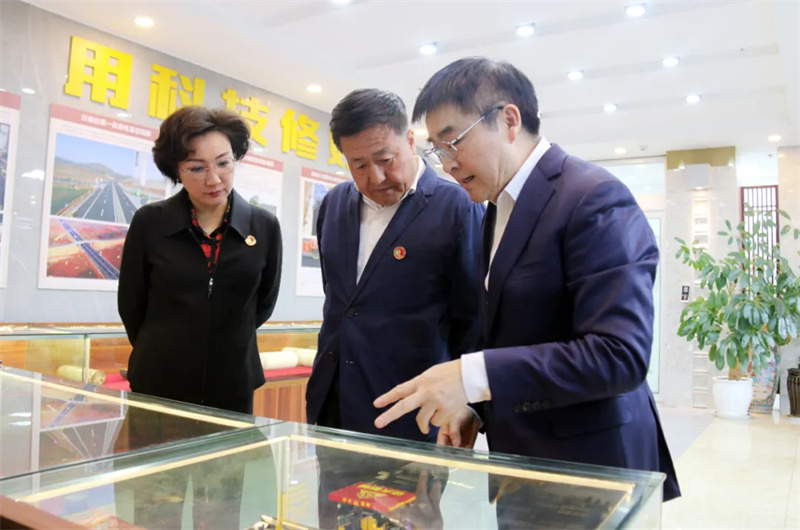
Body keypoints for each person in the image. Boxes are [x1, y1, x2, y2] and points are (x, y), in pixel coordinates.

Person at [373, 57, 681, 506]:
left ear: (509, 120)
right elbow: (513, 332)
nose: (448, 165)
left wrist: (471, 376)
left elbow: (619, 355)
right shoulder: (495, 207)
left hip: (591, 466)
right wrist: (478, 410)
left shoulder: (593, 197)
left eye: (453, 143)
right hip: (523, 460)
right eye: (437, 152)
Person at [306, 88, 483, 441]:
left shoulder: (457, 208)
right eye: (358, 165)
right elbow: (339, 299)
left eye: (386, 159)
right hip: (333, 401)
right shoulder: (334, 204)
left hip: (414, 408)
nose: (376, 177)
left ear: (410, 140)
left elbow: (473, 318)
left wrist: (469, 404)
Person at [118, 106, 282, 415]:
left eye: (223, 163)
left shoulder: (264, 226)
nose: (214, 179)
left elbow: (263, 304)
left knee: (227, 449)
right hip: (159, 380)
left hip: (233, 382)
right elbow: (131, 304)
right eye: (196, 168)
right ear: (176, 170)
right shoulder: (150, 222)